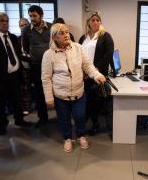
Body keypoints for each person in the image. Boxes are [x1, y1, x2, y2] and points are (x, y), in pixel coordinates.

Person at [41, 23, 106, 152]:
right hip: (60, 94)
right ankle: (67, 138)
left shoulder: (78, 48)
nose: (66, 35)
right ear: (54, 37)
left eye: (67, 32)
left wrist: (97, 75)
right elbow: (46, 78)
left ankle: (81, 136)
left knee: (80, 116)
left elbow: (88, 65)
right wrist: (48, 97)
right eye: (62, 33)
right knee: (64, 119)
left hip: (78, 91)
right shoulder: (48, 54)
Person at [0, 12, 31, 135]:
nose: (5, 23)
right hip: (0, 77)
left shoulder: (13, 37)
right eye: (2, 21)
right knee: (0, 103)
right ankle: (2, 125)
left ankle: (19, 120)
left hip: (14, 74)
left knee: (17, 100)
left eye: (6, 21)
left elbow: (17, 55)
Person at [79, 12, 115, 135]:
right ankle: (87, 121)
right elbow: (78, 55)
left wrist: (94, 70)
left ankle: (95, 125)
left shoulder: (105, 36)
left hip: (97, 74)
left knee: (94, 101)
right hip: (83, 75)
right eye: (93, 20)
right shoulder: (83, 37)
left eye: (97, 20)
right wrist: (82, 70)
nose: (95, 22)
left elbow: (108, 56)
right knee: (86, 100)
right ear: (88, 22)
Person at [22, 5, 52, 128]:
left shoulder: (51, 27)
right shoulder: (26, 30)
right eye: (30, 16)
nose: (32, 18)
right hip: (36, 66)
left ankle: (62, 117)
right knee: (40, 93)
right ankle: (43, 118)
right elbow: (25, 47)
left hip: (52, 65)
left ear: (41, 16)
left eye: (34, 16)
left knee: (56, 90)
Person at [18, 18, 32, 115]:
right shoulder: (17, 39)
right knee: (25, 88)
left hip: (35, 65)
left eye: (25, 24)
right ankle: (27, 106)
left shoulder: (33, 37)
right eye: (21, 25)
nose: (23, 27)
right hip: (23, 67)